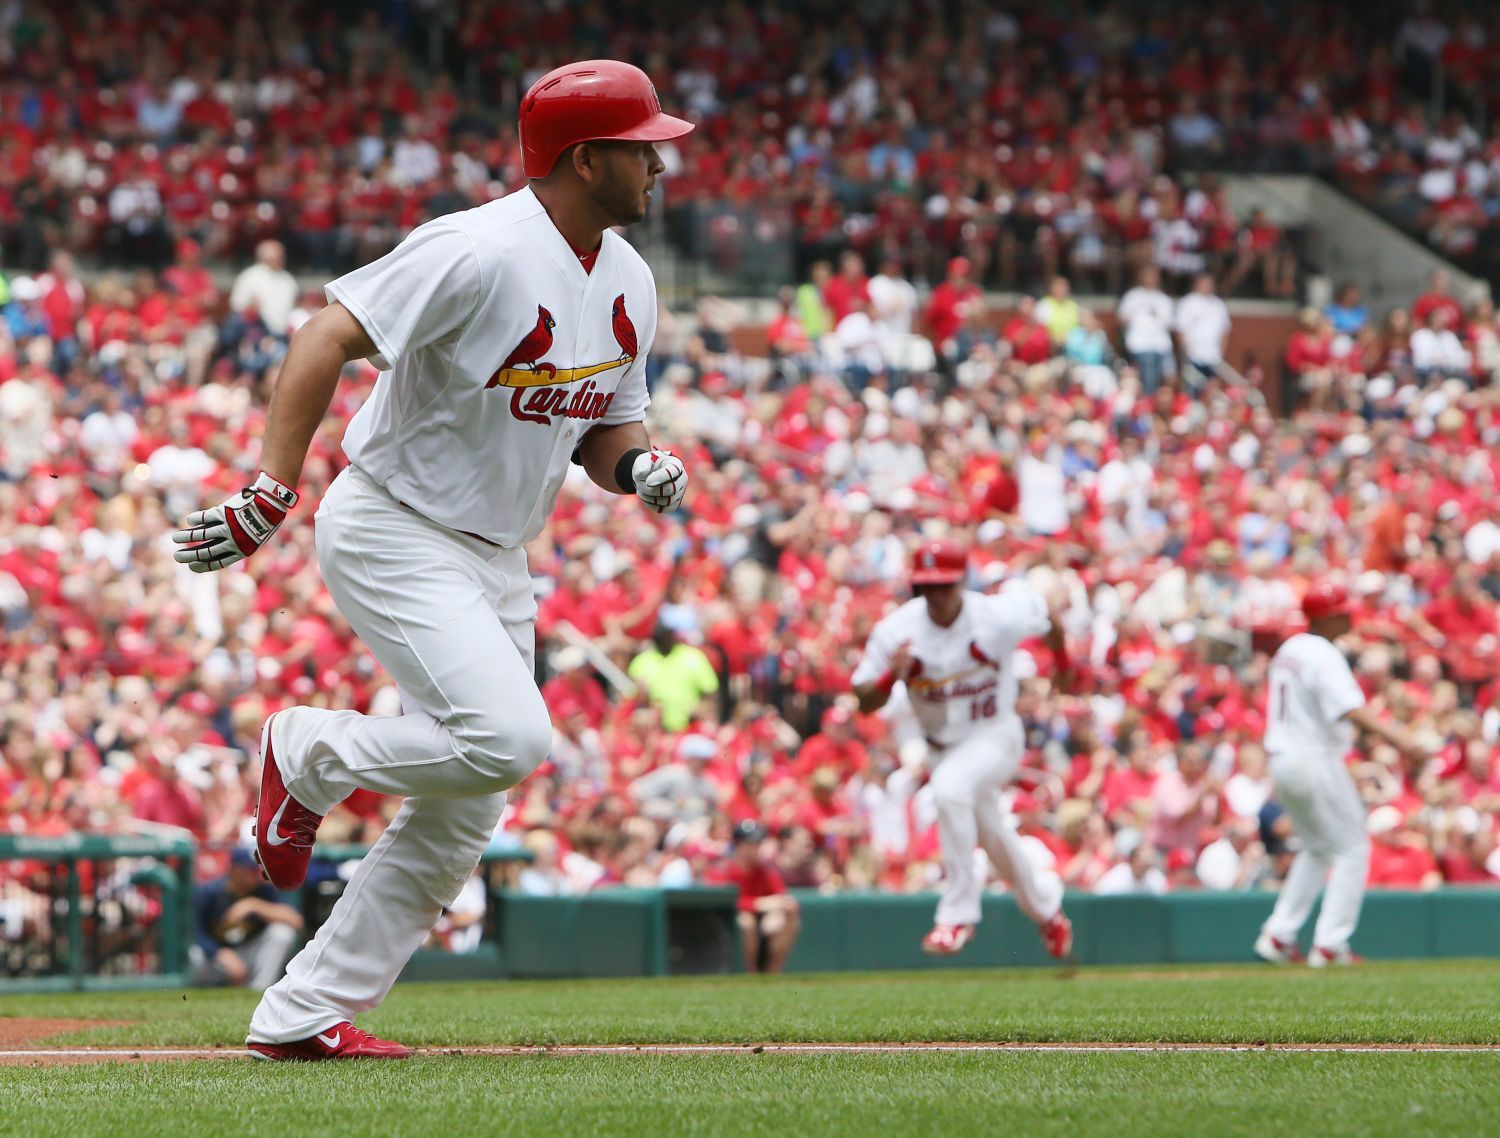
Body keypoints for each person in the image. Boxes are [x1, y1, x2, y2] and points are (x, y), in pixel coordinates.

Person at [172, 59, 693, 1061]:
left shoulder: (626, 275)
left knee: (469, 804)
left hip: (497, 550)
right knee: (509, 738)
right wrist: (271, 489)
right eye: (642, 146)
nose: (659, 163)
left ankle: (301, 1013)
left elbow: (602, 428)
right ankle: (306, 752)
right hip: (394, 521)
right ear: (587, 160)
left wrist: (642, 470)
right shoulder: (477, 248)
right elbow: (326, 333)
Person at [850, 538, 1073, 959]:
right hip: (941, 746)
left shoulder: (996, 614)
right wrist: (888, 680)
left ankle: (957, 915)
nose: (935, 594)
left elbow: (1049, 619)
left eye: (944, 585)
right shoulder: (897, 630)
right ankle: (1048, 913)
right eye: (926, 586)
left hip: (996, 734)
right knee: (993, 836)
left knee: (949, 789)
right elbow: (862, 699)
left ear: (962, 582)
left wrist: (1066, 667)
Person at [1254, 582, 1427, 968]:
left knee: (1317, 848)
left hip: (1284, 761)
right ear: (1327, 616)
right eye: (1342, 610)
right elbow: (1349, 709)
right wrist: (1400, 739)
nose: (1350, 615)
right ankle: (1331, 945)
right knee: (1352, 847)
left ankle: (1278, 934)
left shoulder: (1290, 648)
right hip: (1314, 757)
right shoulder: (1322, 652)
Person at [191, 847, 303, 989]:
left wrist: (254, 905)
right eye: (250, 870)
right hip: (218, 959)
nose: (257, 874)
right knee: (195, 955)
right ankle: (205, 989)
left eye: (258, 869)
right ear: (234, 870)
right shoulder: (209, 892)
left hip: (250, 954)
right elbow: (194, 932)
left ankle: (259, 989)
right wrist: (220, 953)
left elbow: (296, 921)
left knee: (282, 933)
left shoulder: (264, 890)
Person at [707, 820, 801, 973]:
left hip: (761, 927)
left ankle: (772, 974)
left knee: (789, 920)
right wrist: (760, 904)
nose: (757, 848)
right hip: (723, 928)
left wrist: (777, 911)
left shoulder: (763, 870)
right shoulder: (723, 869)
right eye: (752, 843)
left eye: (758, 843)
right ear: (740, 845)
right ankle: (750, 974)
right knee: (746, 921)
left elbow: (786, 901)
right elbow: (722, 902)